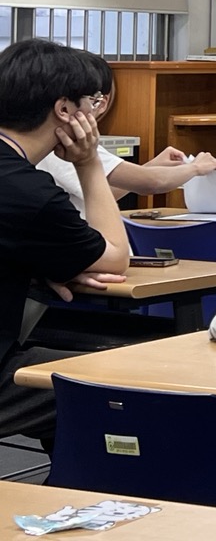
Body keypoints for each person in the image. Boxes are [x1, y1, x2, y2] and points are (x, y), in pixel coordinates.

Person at [0, 39, 129, 440]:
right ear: (65, 110)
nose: (95, 112)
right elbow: (115, 257)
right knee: (123, 387)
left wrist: (40, 264)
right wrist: (89, 163)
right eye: (91, 102)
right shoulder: (29, 191)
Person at [38, 52, 216, 218]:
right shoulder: (66, 141)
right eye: (93, 100)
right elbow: (153, 183)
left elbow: (104, 189)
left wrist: (149, 167)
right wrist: (196, 168)